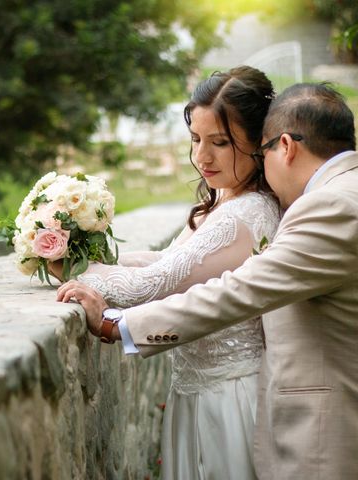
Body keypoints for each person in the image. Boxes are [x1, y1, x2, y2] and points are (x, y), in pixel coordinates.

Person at [57, 82, 358, 480]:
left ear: (283, 146)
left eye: (261, 150)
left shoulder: (332, 205)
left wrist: (117, 324)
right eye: (196, 140)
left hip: (313, 427)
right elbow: (174, 261)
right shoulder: (339, 193)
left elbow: (239, 290)